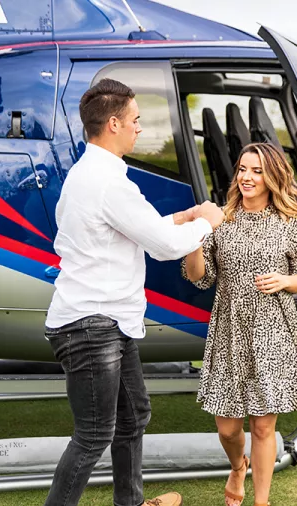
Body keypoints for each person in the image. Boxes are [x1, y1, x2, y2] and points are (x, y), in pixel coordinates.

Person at [43, 78, 225, 506]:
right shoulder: (107, 183)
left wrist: (185, 216)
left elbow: (143, 227)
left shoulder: (92, 175)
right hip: (92, 325)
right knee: (93, 435)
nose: (139, 129)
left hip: (107, 321)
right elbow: (164, 246)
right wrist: (208, 221)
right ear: (112, 124)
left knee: (133, 416)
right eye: (135, 120)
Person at [182, 142, 297, 506]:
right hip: (229, 330)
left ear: (272, 176)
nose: (247, 177)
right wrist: (195, 238)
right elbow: (199, 278)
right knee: (228, 428)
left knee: (263, 425)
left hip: (272, 330)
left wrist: (284, 281)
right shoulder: (222, 221)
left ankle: (261, 501)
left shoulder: (292, 223)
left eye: (257, 171)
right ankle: (236, 465)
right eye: (243, 169)